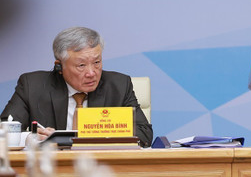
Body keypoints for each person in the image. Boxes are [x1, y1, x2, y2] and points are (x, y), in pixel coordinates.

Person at [1, 27, 153, 147]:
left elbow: (145, 135)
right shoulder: (32, 86)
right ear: (59, 67)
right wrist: (30, 138)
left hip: (104, 169)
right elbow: (3, 130)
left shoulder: (119, 85)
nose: (91, 73)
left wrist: (103, 131)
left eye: (97, 62)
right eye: (81, 65)